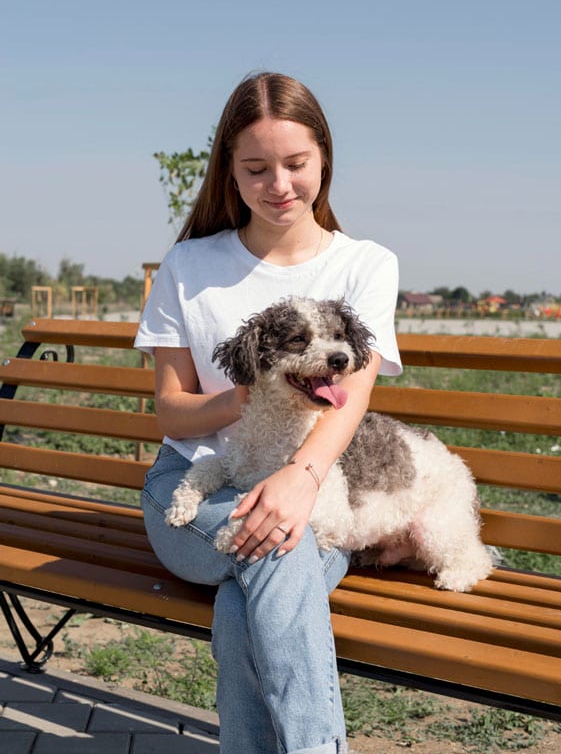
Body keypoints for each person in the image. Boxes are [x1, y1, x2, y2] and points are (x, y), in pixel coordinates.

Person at [135, 71, 401, 754]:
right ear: (230, 169)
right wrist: (243, 396)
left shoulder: (366, 265)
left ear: (324, 160)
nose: (278, 183)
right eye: (256, 167)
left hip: (310, 489)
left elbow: (354, 395)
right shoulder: (188, 266)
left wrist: (302, 478)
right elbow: (171, 411)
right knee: (280, 549)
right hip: (198, 488)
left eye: (295, 164)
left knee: (249, 590)